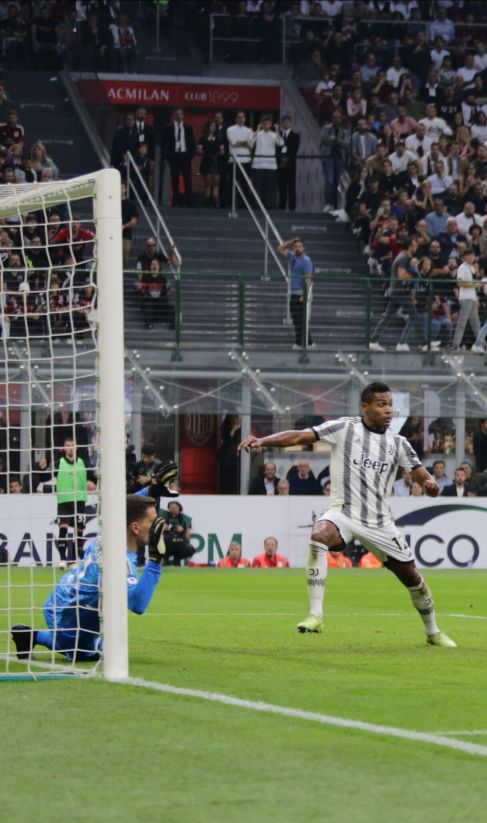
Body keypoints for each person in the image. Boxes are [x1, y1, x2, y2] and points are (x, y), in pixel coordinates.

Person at [238, 382, 456, 647]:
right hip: (343, 514)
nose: (389, 410)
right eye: (382, 404)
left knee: (412, 577)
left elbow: (423, 478)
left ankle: (433, 631)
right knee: (319, 534)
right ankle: (315, 614)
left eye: (390, 405)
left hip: (379, 523)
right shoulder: (344, 428)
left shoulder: (398, 443)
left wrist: (431, 486)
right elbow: (298, 436)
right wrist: (261, 441)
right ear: (365, 407)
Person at [10, 495, 168, 663]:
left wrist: (152, 489)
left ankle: (28, 635)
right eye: (153, 522)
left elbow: (124, 506)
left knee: (103, 643)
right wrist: (155, 561)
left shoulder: (106, 537)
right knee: (92, 652)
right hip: (68, 614)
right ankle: (37, 636)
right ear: (135, 528)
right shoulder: (120, 562)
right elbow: (138, 604)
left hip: (62, 596)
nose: (158, 528)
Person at [53, 438, 91, 564]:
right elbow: (44, 476)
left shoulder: (83, 463)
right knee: (63, 529)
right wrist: (41, 469)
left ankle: (75, 560)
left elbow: (92, 477)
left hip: (79, 501)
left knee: (79, 532)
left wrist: (93, 482)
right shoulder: (59, 463)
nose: (70, 447)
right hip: (64, 501)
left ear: (76, 448)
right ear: (64, 448)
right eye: (67, 445)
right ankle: (63, 559)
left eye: (72, 445)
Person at [278, 238, 314, 349]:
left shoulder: (306, 260)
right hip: (294, 292)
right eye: (296, 246)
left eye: (299, 246)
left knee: (301, 319)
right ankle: (308, 342)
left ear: (303, 248)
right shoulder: (292, 256)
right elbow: (280, 248)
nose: (297, 248)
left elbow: (308, 278)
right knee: (296, 318)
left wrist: (305, 294)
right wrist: (292, 240)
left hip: (302, 293)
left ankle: (301, 342)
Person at [160, 108, 195, 207]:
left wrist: (190, 155)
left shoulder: (188, 128)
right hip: (173, 156)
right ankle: (176, 201)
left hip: (185, 156)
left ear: (183, 116)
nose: (179, 116)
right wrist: (167, 156)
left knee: (187, 179)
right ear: (174, 116)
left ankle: (189, 202)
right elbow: (164, 143)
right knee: (174, 180)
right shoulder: (168, 127)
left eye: (181, 114)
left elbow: (192, 143)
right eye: (177, 114)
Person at [160, 500, 197, 566]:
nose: (173, 509)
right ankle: (166, 560)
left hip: (179, 541)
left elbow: (187, 536)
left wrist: (183, 530)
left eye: (175, 507)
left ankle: (176, 559)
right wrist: (171, 528)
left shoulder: (185, 519)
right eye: (171, 507)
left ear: (179, 509)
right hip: (166, 541)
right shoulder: (164, 516)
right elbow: (162, 527)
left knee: (190, 549)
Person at [277, 115, 300, 211]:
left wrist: (287, 160)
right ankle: (281, 206)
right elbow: (277, 149)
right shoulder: (278, 135)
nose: (286, 123)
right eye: (284, 122)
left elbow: (294, 150)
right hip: (280, 165)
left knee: (291, 187)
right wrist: (280, 160)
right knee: (282, 187)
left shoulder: (295, 136)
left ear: (291, 123)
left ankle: (292, 207)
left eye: (288, 122)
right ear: (282, 123)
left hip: (290, 165)